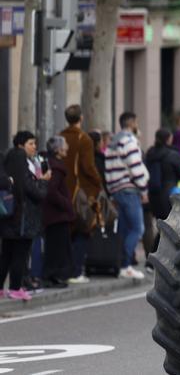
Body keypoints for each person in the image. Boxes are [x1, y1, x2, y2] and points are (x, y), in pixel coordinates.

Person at [1, 132, 49, 301]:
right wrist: (43, 181)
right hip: (23, 217)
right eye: (31, 143)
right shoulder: (22, 161)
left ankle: (1, 288)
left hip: (10, 214)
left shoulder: (8, 160)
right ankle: (15, 288)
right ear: (21, 145)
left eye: (35, 143)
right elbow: (33, 191)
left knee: (6, 253)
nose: (34, 147)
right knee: (20, 253)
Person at [105, 112, 148, 280]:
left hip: (116, 189)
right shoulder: (129, 141)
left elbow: (108, 170)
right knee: (138, 229)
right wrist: (143, 190)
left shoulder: (112, 143)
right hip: (129, 190)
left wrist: (111, 190)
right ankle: (126, 265)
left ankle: (120, 264)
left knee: (123, 229)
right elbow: (135, 167)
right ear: (132, 123)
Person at [61, 105, 102, 284]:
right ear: (81, 118)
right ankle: (76, 271)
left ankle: (65, 270)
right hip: (80, 192)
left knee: (66, 232)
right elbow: (88, 167)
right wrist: (97, 182)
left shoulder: (60, 136)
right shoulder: (84, 138)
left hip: (62, 191)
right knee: (83, 230)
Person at [40, 136, 73, 289]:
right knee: (56, 247)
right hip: (57, 215)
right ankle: (50, 276)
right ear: (58, 149)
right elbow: (52, 191)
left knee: (56, 246)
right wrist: (66, 203)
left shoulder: (52, 164)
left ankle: (53, 276)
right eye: (65, 144)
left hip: (53, 214)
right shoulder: (57, 168)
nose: (67, 147)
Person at [145, 129, 180, 238]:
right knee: (170, 230)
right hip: (169, 195)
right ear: (168, 139)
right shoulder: (173, 155)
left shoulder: (150, 154)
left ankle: (155, 251)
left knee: (159, 228)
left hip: (152, 195)